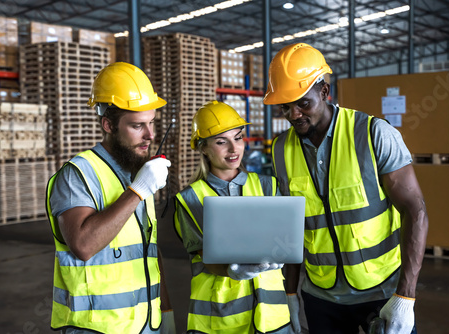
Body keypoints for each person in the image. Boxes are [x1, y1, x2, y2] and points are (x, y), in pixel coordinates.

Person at [263, 43, 429, 334]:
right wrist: (288, 294)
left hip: (382, 292)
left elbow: (415, 212)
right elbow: (290, 229)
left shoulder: (373, 133)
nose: (294, 114)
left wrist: (405, 296)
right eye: (285, 107)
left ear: (324, 92)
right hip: (320, 297)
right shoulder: (280, 150)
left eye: (303, 103)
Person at [46, 62, 176, 334]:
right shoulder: (78, 174)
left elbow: (147, 249)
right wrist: (137, 192)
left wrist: (166, 310)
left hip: (145, 324)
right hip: (97, 328)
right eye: (137, 126)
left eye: (151, 123)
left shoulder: (138, 172)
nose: (150, 135)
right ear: (108, 125)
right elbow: (83, 245)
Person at [174, 100, 295, 334]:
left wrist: (290, 292)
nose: (234, 149)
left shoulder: (267, 186)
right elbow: (205, 257)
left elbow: (284, 242)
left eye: (238, 138)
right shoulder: (191, 198)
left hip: (272, 318)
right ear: (203, 148)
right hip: (219, 321)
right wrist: (232, 270)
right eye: (221, 142)